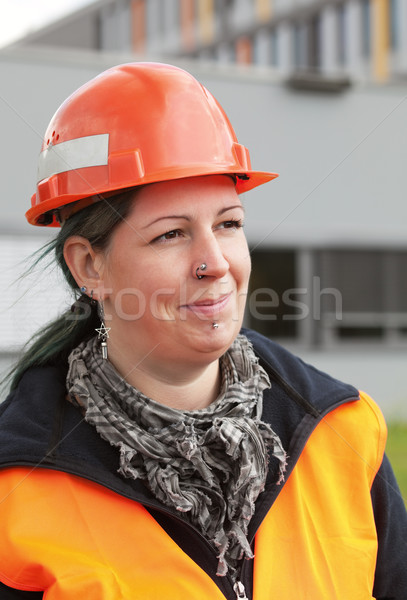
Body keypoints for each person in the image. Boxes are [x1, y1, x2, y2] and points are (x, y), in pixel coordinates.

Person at [0, 62, 406, 600]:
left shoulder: (344, 432)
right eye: (171, 234)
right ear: (89, 267)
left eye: (229, 224)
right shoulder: (17, 492)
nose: (215, 263)